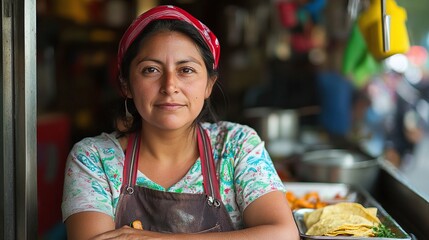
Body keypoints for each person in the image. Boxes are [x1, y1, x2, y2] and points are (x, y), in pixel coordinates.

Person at [61, 5, 299, 240]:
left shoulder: (236, 146)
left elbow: (283, 234)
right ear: (126, 85)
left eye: (186, 70)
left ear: (209, 85)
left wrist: (155, 238)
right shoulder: (94, 159)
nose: (169, 86)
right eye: (151, 70)